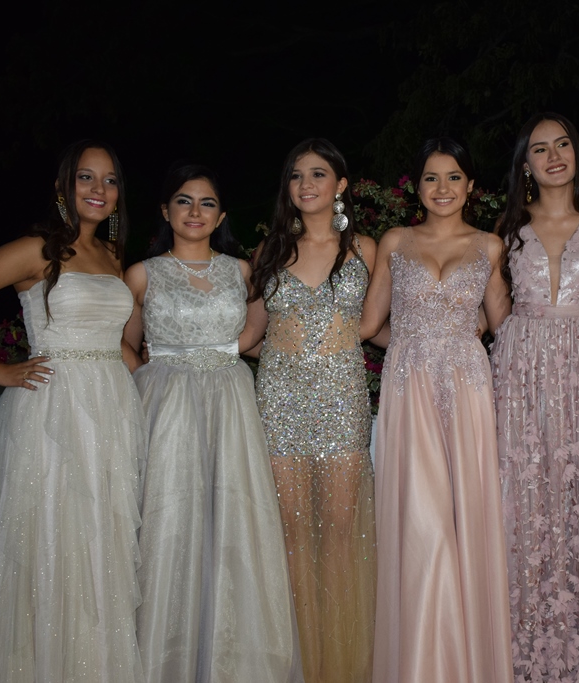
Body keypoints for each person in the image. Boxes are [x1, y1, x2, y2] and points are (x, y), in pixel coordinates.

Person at [0, 140, 146, 682]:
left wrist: (162, 387)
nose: (99, 190)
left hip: (112, 409)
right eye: (86, 179)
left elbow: (114, 342)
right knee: (54, 540)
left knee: (105, 540)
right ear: (62, 189)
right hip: (55, 410)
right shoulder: (37, 250)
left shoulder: (113, 257)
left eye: (110, 180)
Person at [122, 164, 302, 682]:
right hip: (167, 407)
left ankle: (231, 655)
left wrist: (222, 356)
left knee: (232, 520)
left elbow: (251, 335)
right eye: (183, 201)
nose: (194, 212)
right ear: (165, 211)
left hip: (229, 402)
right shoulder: (143, 273)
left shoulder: (242, 271)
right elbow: (121, 341)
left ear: (220, 215)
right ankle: (162, 652)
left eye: (205, 203)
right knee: (168, 520)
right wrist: (156, 376)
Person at [363, 137, 513, 683]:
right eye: (431, 177)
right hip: (409, 393)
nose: (443, 188)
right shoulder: (396, 241)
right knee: (423, 523)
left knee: (464, 518)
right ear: (417, 186)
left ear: (471, 186)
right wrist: (412, 346)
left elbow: (505, 329)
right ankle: (424, 663)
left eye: (454, 177)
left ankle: (464, 657)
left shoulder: (490, 246)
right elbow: (368, 325)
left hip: (470, 391)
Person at [489, 113, 579, 681]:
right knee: (523, 500)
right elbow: (493, 315)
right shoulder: (504, 230)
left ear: (577, 153)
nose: (553, 156)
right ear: (525, 165)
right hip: (520, 374)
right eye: (539, 149)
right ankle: (524, 653)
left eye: (563, 143)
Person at [247, 139, 377, 683]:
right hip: (280, 399)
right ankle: (298, 664)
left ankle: (344, 663)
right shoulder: (268, 253)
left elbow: (379, 325)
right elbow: (250, 337)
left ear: (341, 185)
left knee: (342, 533)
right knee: (292, 534)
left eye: (318, 174)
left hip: (343, 398)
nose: (305, 185)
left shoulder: (367, 250)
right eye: (296, 175)